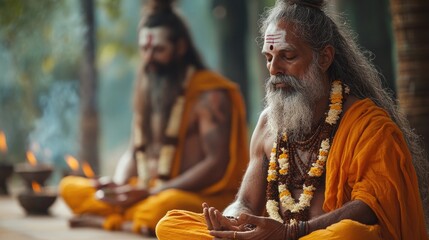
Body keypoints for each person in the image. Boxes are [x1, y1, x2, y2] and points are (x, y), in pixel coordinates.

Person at [155, 0, 429, 239]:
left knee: (350, 235)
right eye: (269, 57)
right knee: (170, 223)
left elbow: (372, 206)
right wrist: (232, 222)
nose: (274, 69)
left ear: (324, 58)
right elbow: (246, 202)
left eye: (288, 56)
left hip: (320, 237)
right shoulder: (268, 123)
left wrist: (292, 233)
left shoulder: (368, 125)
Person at [58, 0, 249, 236]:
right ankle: (129, 217)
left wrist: (154, 191)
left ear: (180, 47)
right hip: (145, 190)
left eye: (158, 50)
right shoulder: (148, 88)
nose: (149, 58)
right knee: (69, 188)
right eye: (144, 49)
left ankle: (115, 220)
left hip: (193, 196)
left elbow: (216, 164)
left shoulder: (210, 95)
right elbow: (134, 150)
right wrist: (119, 187)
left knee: (163, 208)